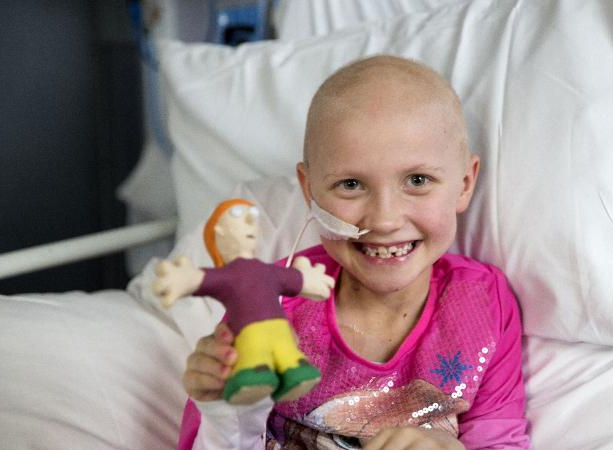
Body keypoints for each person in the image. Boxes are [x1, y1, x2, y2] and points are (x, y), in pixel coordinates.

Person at [177, 55, 529, 449]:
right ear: (309, 191)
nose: (384, 219)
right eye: (350, 184)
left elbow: (500, 439)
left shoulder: (484, 303)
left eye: (417, 180)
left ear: (464, 184)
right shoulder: (269, 303)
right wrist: (220, 410)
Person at [153, 199, 335, 405]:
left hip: (280, 329)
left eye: (253, 217)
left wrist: (311, 279)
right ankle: (252, 375)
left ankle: (295, 369)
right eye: (239, 214)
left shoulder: (267, 270)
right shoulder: (228, 275)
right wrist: (180, 279)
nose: (250, 220)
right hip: (249, 332)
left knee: (287, 351)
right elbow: (199, 279)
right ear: (219, 231)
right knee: (254, 354)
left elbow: (293, 279)